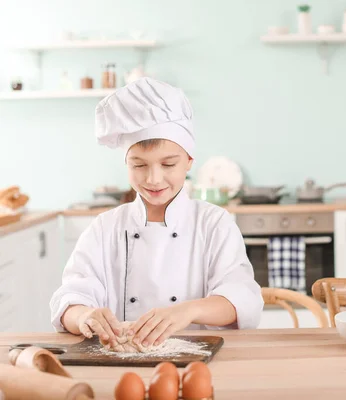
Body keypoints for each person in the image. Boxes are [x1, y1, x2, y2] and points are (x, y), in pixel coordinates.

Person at [50, 77, 263, 349]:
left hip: (197, 361)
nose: (153, 179)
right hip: (119, 360)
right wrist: (84, 316)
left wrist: (188, 311)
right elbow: (69, 299)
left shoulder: (213, 224)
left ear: (188, 162)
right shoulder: (106, 227)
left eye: (168, 164)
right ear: (126, 163)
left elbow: (242, 299)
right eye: (139, 165)